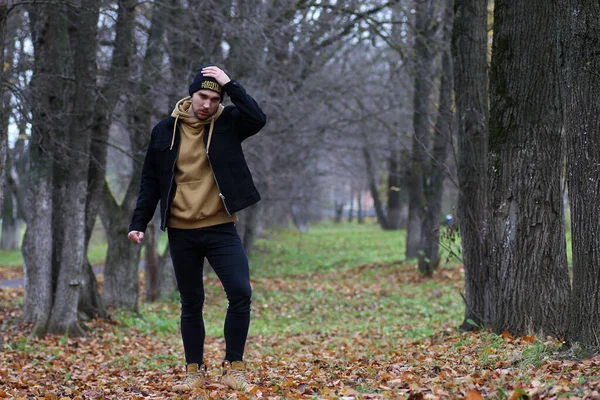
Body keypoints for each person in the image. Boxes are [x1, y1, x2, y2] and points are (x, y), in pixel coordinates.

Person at [127, 65, 266, 393]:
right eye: (203, 96)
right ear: (191, 95)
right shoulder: (164, 130)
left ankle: (234, 368)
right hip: (181, 231)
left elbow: (257, 118)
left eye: (214, 99)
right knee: (191, 301)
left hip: (220, 227)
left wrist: (230, 84)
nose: (207, 104)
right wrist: (138, 222)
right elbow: (150, 181)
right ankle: (194, 372)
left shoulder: (228, 123)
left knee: (241, 292)